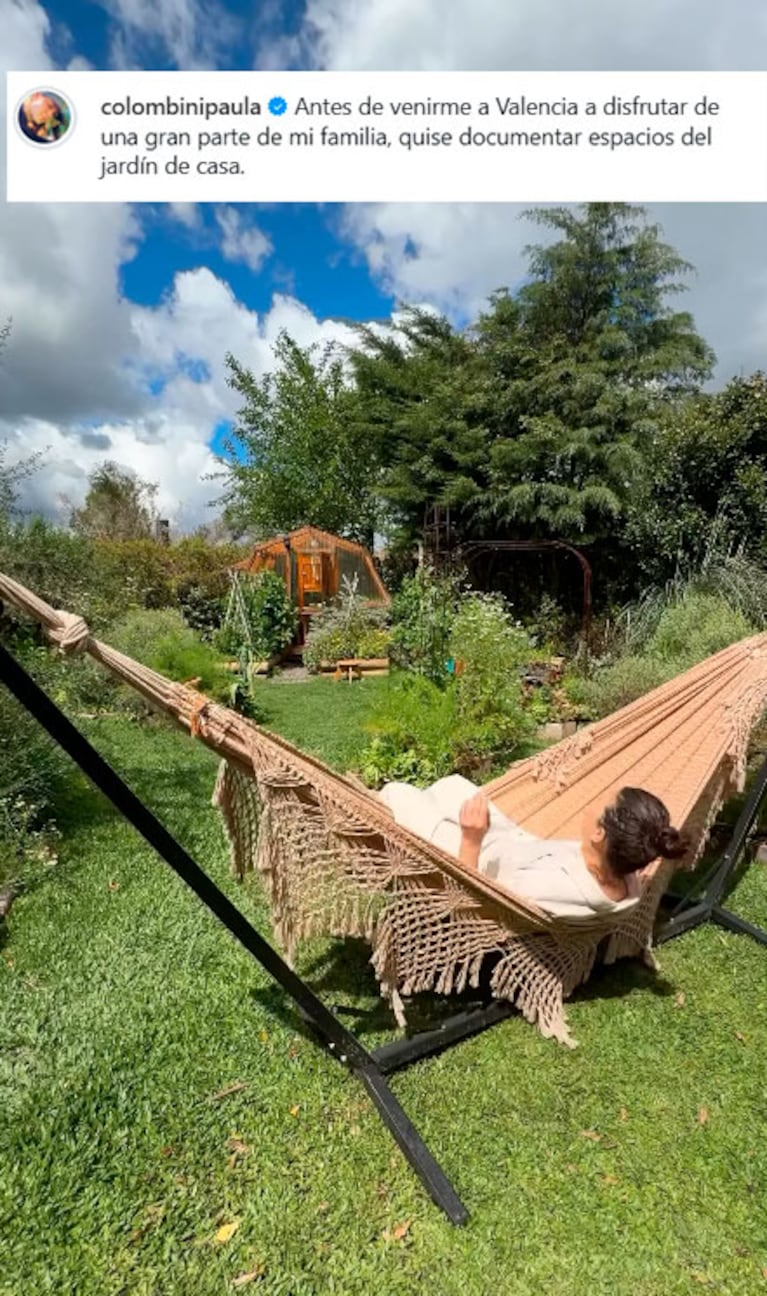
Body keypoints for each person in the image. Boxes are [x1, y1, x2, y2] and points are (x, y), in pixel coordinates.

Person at [378, 773, 689, 919]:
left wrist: (472, 839)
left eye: (600, 801)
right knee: (453, 785)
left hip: (472, 858)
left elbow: (473, 907)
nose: (592, 801)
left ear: (598, 833)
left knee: (395, 793)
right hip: (514, 842)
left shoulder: (550, 885)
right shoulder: (625, 875)